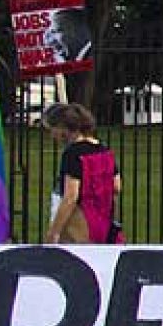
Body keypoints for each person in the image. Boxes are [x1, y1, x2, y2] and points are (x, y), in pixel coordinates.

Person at [43, 103, 121, 244]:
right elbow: (116, 186)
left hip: (80, 221)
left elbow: (71, 197)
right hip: (103, 217)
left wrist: (54, 232)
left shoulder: (72, 153)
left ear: (62, 128)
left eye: (52, 129)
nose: (52, 135)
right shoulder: (104, 150)